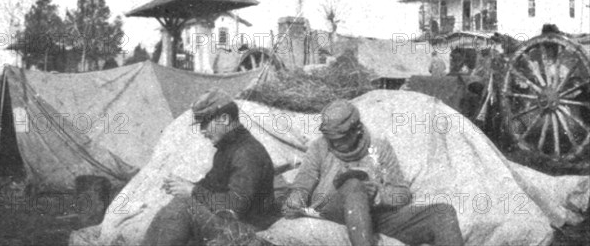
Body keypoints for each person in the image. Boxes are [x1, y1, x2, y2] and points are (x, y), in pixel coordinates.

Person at [282, 100, 464, 246]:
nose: (335, 144)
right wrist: (295, 199)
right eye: (331, 139)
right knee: (353, 184)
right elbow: (302, 183)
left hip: (377, 217)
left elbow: (402, 194)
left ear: (357, 130)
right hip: (332, 209)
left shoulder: (379, 147)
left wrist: (377, 195)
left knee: (442, 212)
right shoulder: (319, 147)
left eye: (340, 138)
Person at [142, 89, 277, 246]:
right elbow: (210, 186)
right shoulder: (227, 148)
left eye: (205, 123)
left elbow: (235, 207)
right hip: (231, 225)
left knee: (184, 206)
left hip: (249, 231)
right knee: (178, 204)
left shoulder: (247, 153)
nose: (202, 131)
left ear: (225, 119)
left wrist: (192, 190)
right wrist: (184, 185)